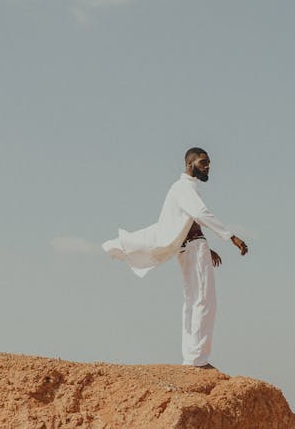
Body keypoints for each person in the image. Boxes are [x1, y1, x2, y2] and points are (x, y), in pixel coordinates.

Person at [103, 148, 248, 368]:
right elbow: (200, 213)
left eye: (209, 163)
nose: (208, 166)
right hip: (192, 249)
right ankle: (197, 359)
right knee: (204, 301)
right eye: (203, 162)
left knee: (194, 301)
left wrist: (206, 246)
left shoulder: (184, 189)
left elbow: (187, 221)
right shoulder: (183, 187)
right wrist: (231, 237)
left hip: (191, 247)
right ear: (190, 164)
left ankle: (192, 357)